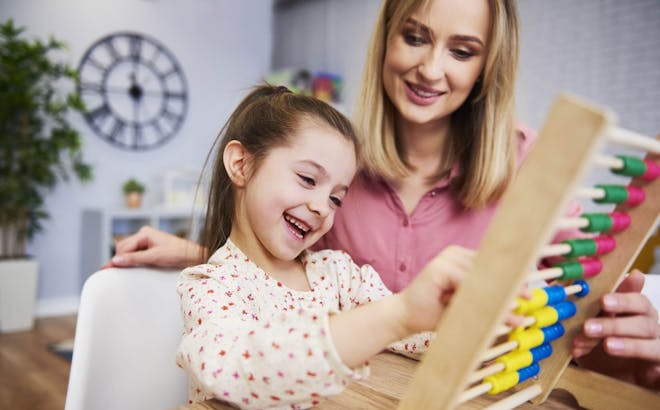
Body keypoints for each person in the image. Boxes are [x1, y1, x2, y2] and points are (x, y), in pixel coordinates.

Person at [109, 0, 660, 390]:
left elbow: (416, 325)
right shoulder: (337, 157)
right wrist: (202, 254)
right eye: (415, 36)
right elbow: (261, 314)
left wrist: (554, 321)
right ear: (387, 39)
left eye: (462, 50)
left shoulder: (339, 272)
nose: (430, 68)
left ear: (488, 66)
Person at [175, 83, 478, 408]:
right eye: (307, 179)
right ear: (241, 164)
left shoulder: (338, 276)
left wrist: (467, 323)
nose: (322, 206)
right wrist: (397, 316)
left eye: (336, 198)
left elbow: (414, 333)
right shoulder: (211, 287)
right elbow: (238, 370)